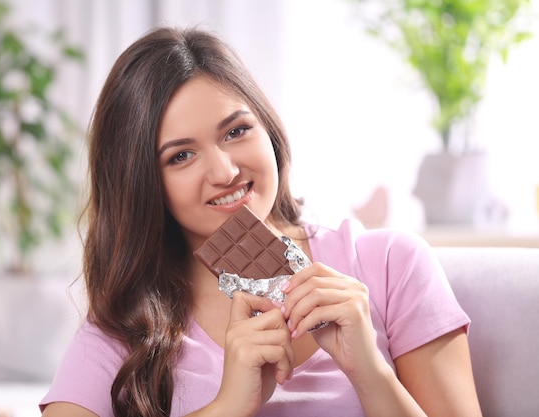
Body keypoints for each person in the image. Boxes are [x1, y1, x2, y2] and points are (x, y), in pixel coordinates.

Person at [40, 26, 482, 417]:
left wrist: (371, 373)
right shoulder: (125, 324)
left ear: (268, 129)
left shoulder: (389, 264)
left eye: (236, 131)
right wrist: (228, 406)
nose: (225, 171)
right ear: (142, 185)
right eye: (181, 156)